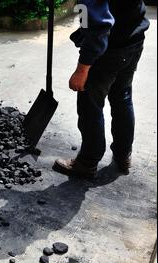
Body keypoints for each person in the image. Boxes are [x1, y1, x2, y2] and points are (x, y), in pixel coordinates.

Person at [54, 0, 150, 178]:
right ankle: (123, 156)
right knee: (123, 97)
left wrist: (82, 68)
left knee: (90, 105)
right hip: (133, 40)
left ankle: (87, 162)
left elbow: (97, 25)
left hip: (108, 52)